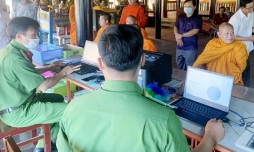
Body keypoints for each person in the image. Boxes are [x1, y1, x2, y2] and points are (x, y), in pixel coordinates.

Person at [57, 24, 224, 152]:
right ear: (143, 60)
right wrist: (210, 136)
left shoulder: (73, 109)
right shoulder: (164, 120)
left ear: (100, 63)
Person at [0, 17, 79, 151]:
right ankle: (60, 146)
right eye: (33, 35)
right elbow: (43, 86)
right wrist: (62, 73)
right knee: (70, 112)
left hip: (21, 102)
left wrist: (49, 67)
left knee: (58, 98)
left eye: (37, 34)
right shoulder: (14, 59)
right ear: (19, 36)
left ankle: (45, 145)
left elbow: (28, 72)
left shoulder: (10, 50)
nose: (36, 38)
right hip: (18, 111)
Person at [174, 0, 202, 70]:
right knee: (179, 63)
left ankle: (188, 80)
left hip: (190, 47)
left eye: (189, 6)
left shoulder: (197, 18)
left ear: (194, 7)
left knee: (190, 66)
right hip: (179, 45)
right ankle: (182, 78)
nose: (186, 8)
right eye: (185, 6)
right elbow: (175, 26)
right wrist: (177, 36)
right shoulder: (180, 17)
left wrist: (181, 35)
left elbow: (195, 31)